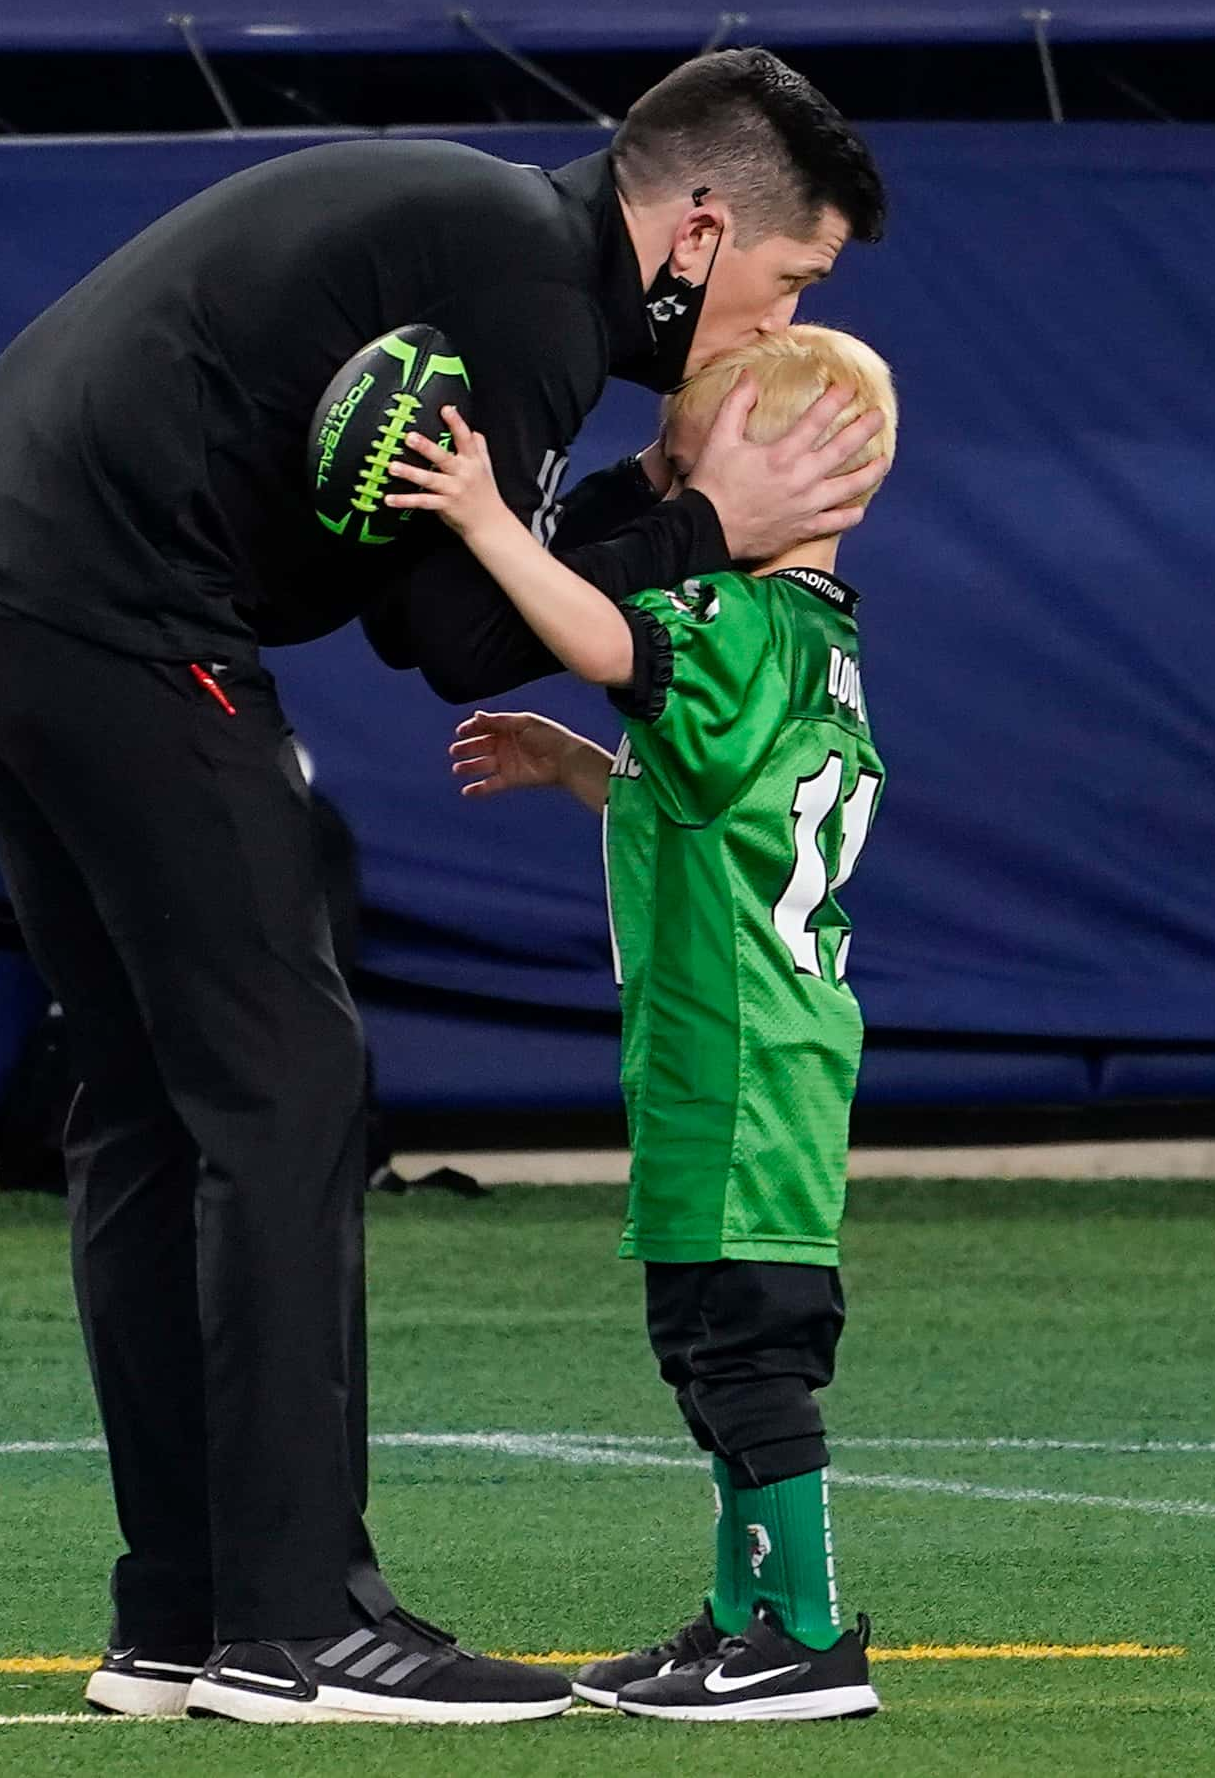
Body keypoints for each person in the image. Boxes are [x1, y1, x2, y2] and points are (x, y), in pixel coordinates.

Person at [0, 49, 887, 1725]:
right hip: (116, 617)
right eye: (787, 284)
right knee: (288, 1089)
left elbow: (425, 599)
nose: (772, 332)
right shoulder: (537, 298)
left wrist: (654, 499)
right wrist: (707, 518)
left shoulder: (500, 252)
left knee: (151, 1107)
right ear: (700, 229)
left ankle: (184, 1612)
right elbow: (458, 645)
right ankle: (299, 1627)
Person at [393, 324, 893, 1722]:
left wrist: (491, 521)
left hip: (742, 1067)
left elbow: (611, 630)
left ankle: (803, 1631)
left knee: (745, 1345)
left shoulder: (739, 623)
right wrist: (585, 773)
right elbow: (720, 825)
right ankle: (743, 1607)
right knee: (701, 1336)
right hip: (732, 1057)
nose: (671, 487)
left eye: (694, 455)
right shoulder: (820, 646)